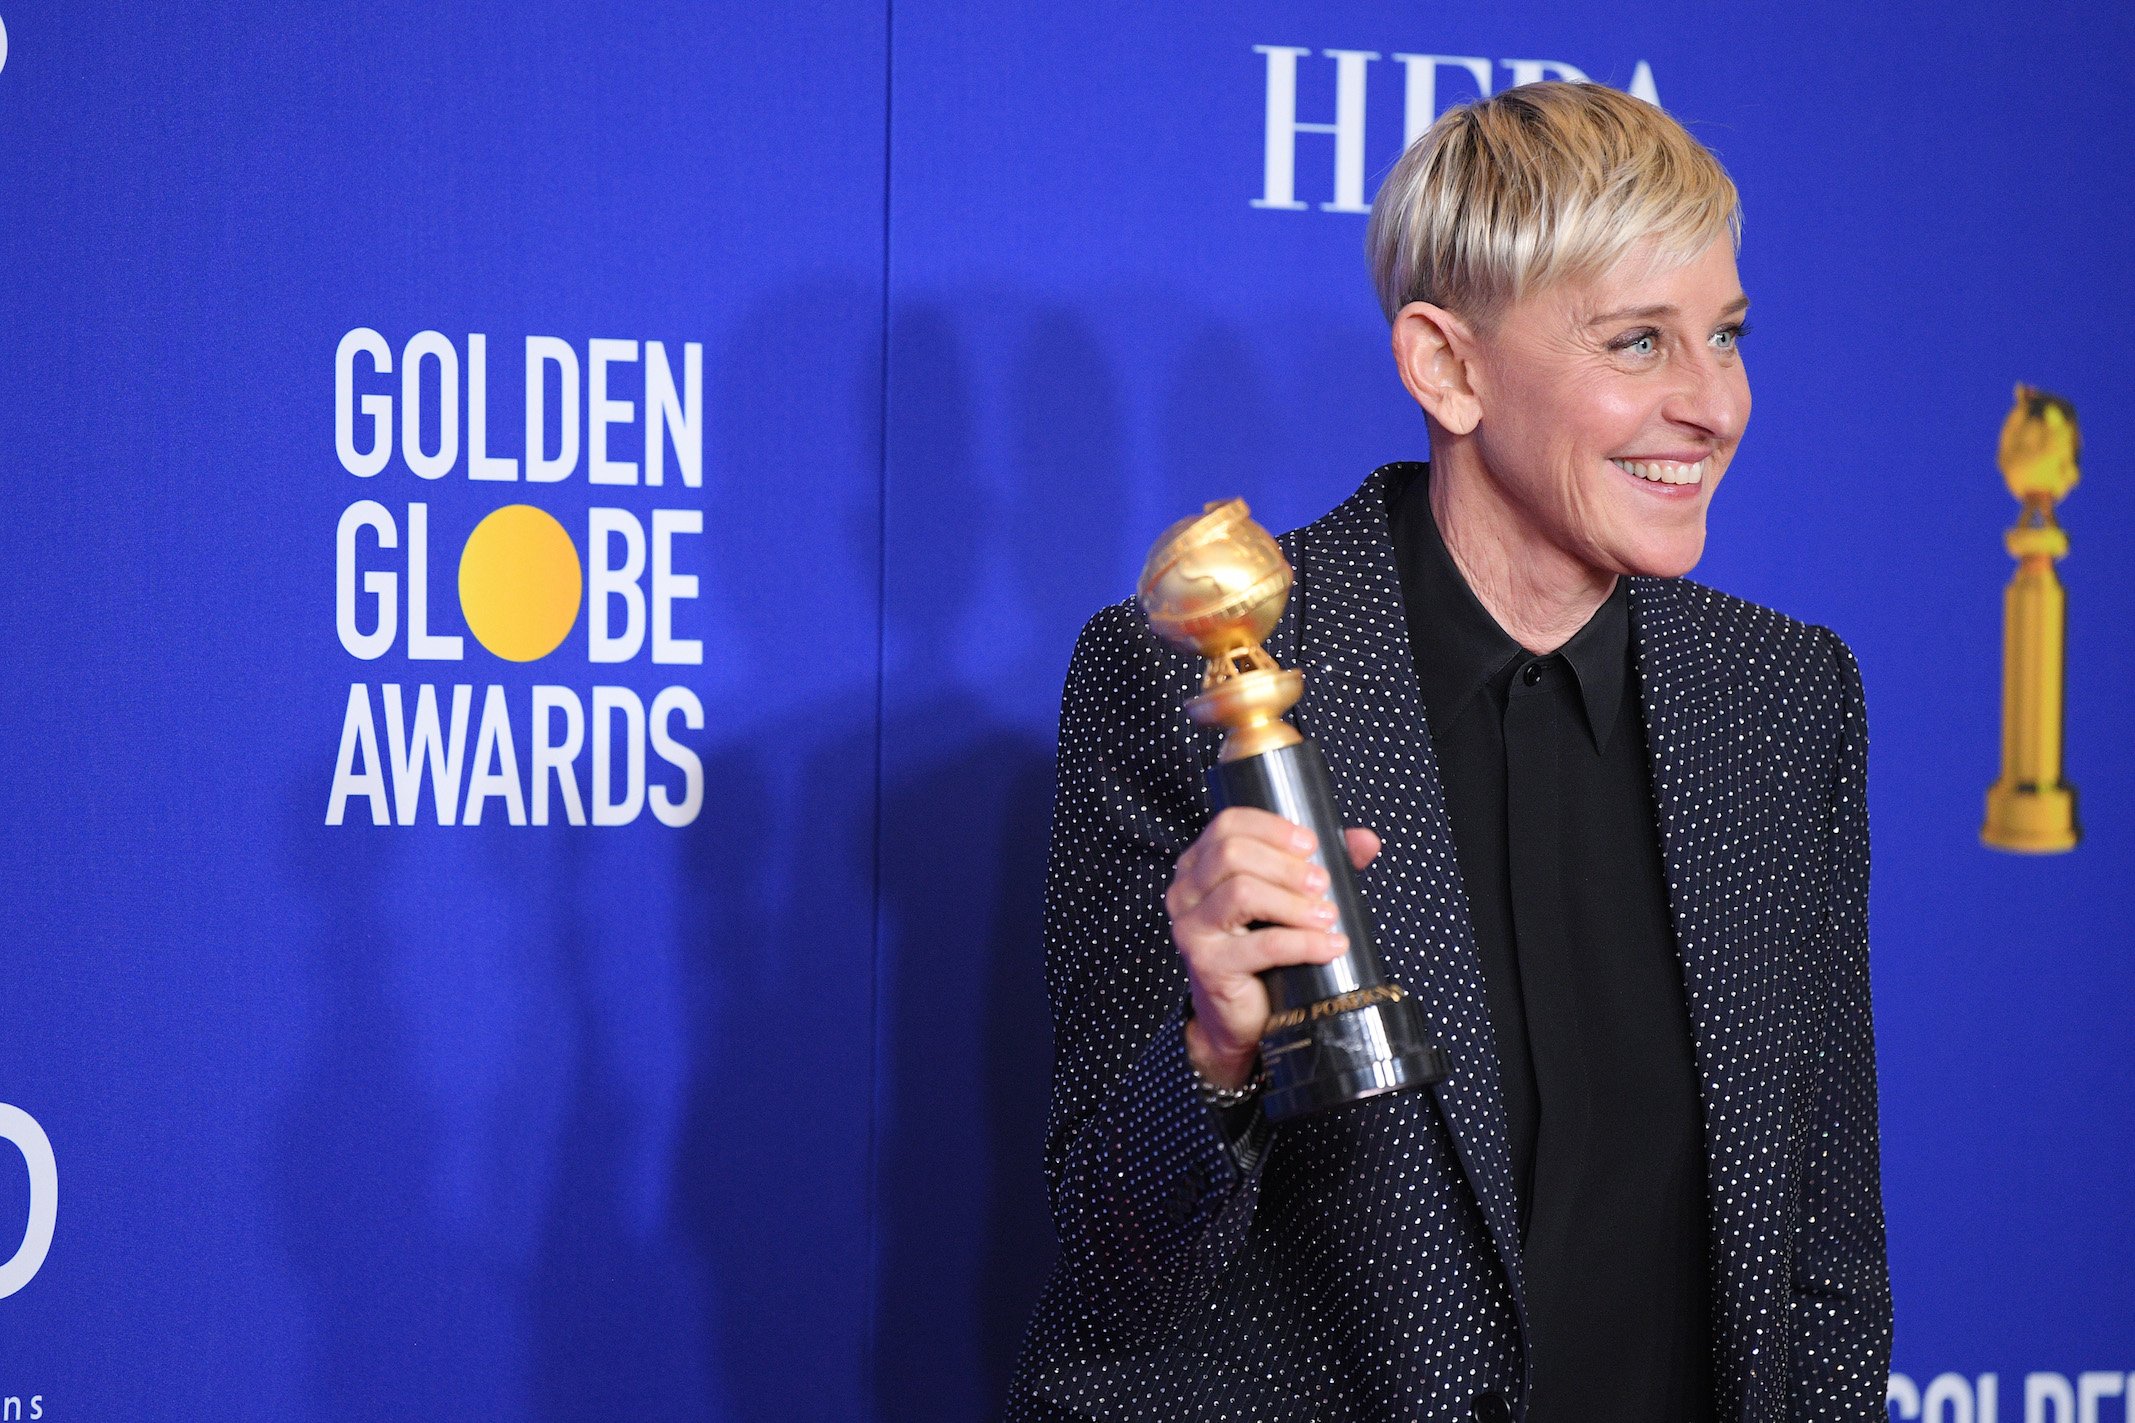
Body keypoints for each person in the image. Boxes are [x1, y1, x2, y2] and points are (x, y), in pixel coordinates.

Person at [1006, 81, 1890, 1422]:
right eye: (1639, 344)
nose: (1715, 404)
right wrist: (1215, 1053)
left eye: (1727, 334)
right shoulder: (1184, 672)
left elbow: (1820, 1253)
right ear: (1446, 367)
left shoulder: (1782, 696)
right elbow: (1117, 1255)